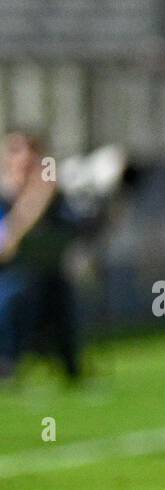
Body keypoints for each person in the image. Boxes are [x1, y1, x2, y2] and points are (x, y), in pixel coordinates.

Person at [0, 130, 84, 382]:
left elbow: (70, 227)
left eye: (30, 151)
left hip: (43, 272)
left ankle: (69, 364)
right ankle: (8, 360)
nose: (24, 158)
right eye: (16, 151)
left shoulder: (51, 195)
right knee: (15, 295)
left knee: (57, 288)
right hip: (9, 275)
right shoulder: (5, 195)